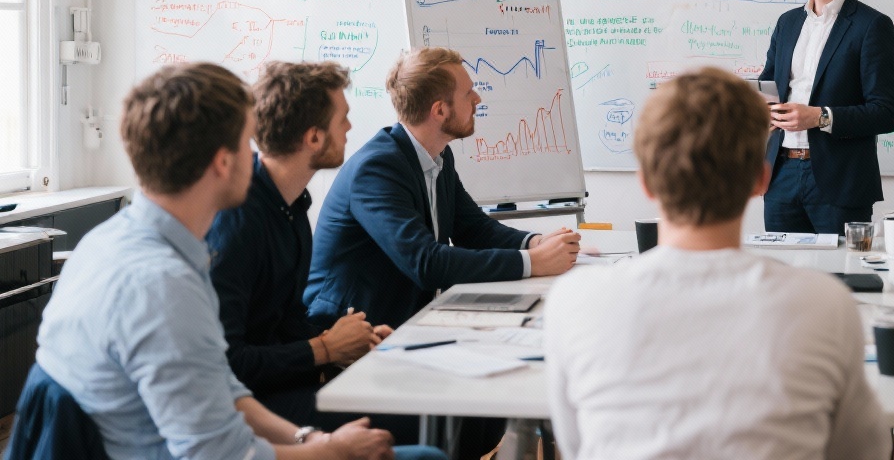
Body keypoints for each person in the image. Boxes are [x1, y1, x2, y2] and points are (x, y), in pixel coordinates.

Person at [33, 63, 394, 460]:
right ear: (224, 162)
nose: (257, 152)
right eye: (246, 142)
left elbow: (223, 385)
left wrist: (312, 439)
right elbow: (220, 453)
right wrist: (333, 452)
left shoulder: (115, 242)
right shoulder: (166, 285)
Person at [545, 67, 891, 460]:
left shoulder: (576, 301)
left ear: (646, 182)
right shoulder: (824, 303)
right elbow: (862, 451)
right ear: (762, 181)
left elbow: (574, 446)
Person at [206, 61, 443, 458]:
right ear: (314, 137)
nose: (350, 129)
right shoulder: (239, 221)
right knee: (424, 417)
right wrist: (325, 349)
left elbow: (283, 324)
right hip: (248, 406)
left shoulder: (293, 207)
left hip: (281, 385)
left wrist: (350, 343)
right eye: (343, 120)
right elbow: (228, 363)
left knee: (420, 392)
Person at [305, 47, 581, 329]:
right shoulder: (377, 169)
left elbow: (472, 228)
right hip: (351, 330)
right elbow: (425, 263)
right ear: (439, 110)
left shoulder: (438, 155)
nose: (477, 99)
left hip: (403, 321)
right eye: (468, 93)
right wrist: (532, 262)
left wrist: (536, 243)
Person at [760, 0, 894, 233]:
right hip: (781, 175)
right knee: (784, 277)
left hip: (840, 181)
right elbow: (767, 87)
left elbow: (885, 113)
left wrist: (819, 117)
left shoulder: (871, 26)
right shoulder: (787, 24)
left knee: (841, 276)